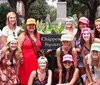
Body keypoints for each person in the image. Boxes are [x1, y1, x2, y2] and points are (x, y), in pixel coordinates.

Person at [18, 18, 41, 84]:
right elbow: (18, 47)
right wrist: (20, 57)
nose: (31, 26)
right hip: (25, 60)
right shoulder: (23, 35)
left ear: (35, 26)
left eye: (33, 25)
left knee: (35, 77)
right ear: (26, 26)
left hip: (36, 59)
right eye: (29, 25)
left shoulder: (38, 35)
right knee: (26, 77)